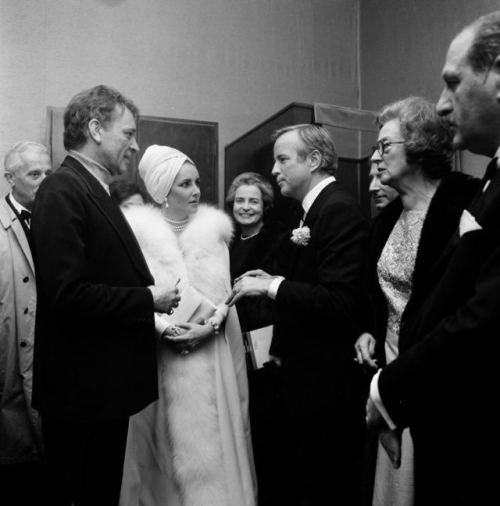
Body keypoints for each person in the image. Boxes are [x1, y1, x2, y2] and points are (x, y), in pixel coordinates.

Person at [366, 12, 500, 505]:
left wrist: (391, 387)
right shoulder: (385, 217)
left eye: (452, 83)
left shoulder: (468, 194)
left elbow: (481, 308)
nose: (444, 104)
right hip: (410, 374)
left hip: (452, 391)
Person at [30, 85, 180, 506]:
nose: (136, 145)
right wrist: (147, 298)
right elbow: (68, 294)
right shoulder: (63, 189)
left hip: (97, 394)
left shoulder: (92, 189)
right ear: (96, 129)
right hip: (82, 397)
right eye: (128, 133)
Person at [227, 124, 369, 506]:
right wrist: (274, 277)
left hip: (324, 382)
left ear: (315, 161)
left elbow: (338, 301)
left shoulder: (338, 209)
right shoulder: (308, 212)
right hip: (300, 378)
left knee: (322, 483)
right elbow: (311, 281)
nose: (274, 169)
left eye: (283, 159)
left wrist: (270, 287)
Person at [354, 97, 479, 506]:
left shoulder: (468, 202)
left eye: (384, 146)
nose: (375, 157)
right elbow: (378, 293)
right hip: (390, 372)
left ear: (420, 145)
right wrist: (368, 330)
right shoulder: (385, 221)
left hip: (445, 379)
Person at [119, 145, 256, 506]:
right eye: (185, 184)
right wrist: (164, 329)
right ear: (163, 191)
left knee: (216, 443)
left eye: (197, 183)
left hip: (211, 358)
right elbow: (132, 298)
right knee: (162, 453)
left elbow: (227, 298)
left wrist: (208, 328)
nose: (196, 191)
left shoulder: (213, 234)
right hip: (159, 361)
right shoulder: (136, 236)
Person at [226, 171, 289, 506]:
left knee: (263, 415)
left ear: (264, 205)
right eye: (240, 200)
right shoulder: (227, 240)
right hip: (231, 335)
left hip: (264, 339)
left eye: (253, 201)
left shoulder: (278, 239)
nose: (246, 207)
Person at [0, 141, 52, 503]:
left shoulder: (59, 218)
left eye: (48, 172)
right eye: (35, 174)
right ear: (10, 179)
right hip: (10, 364)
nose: (45, 181)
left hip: (51, 359)